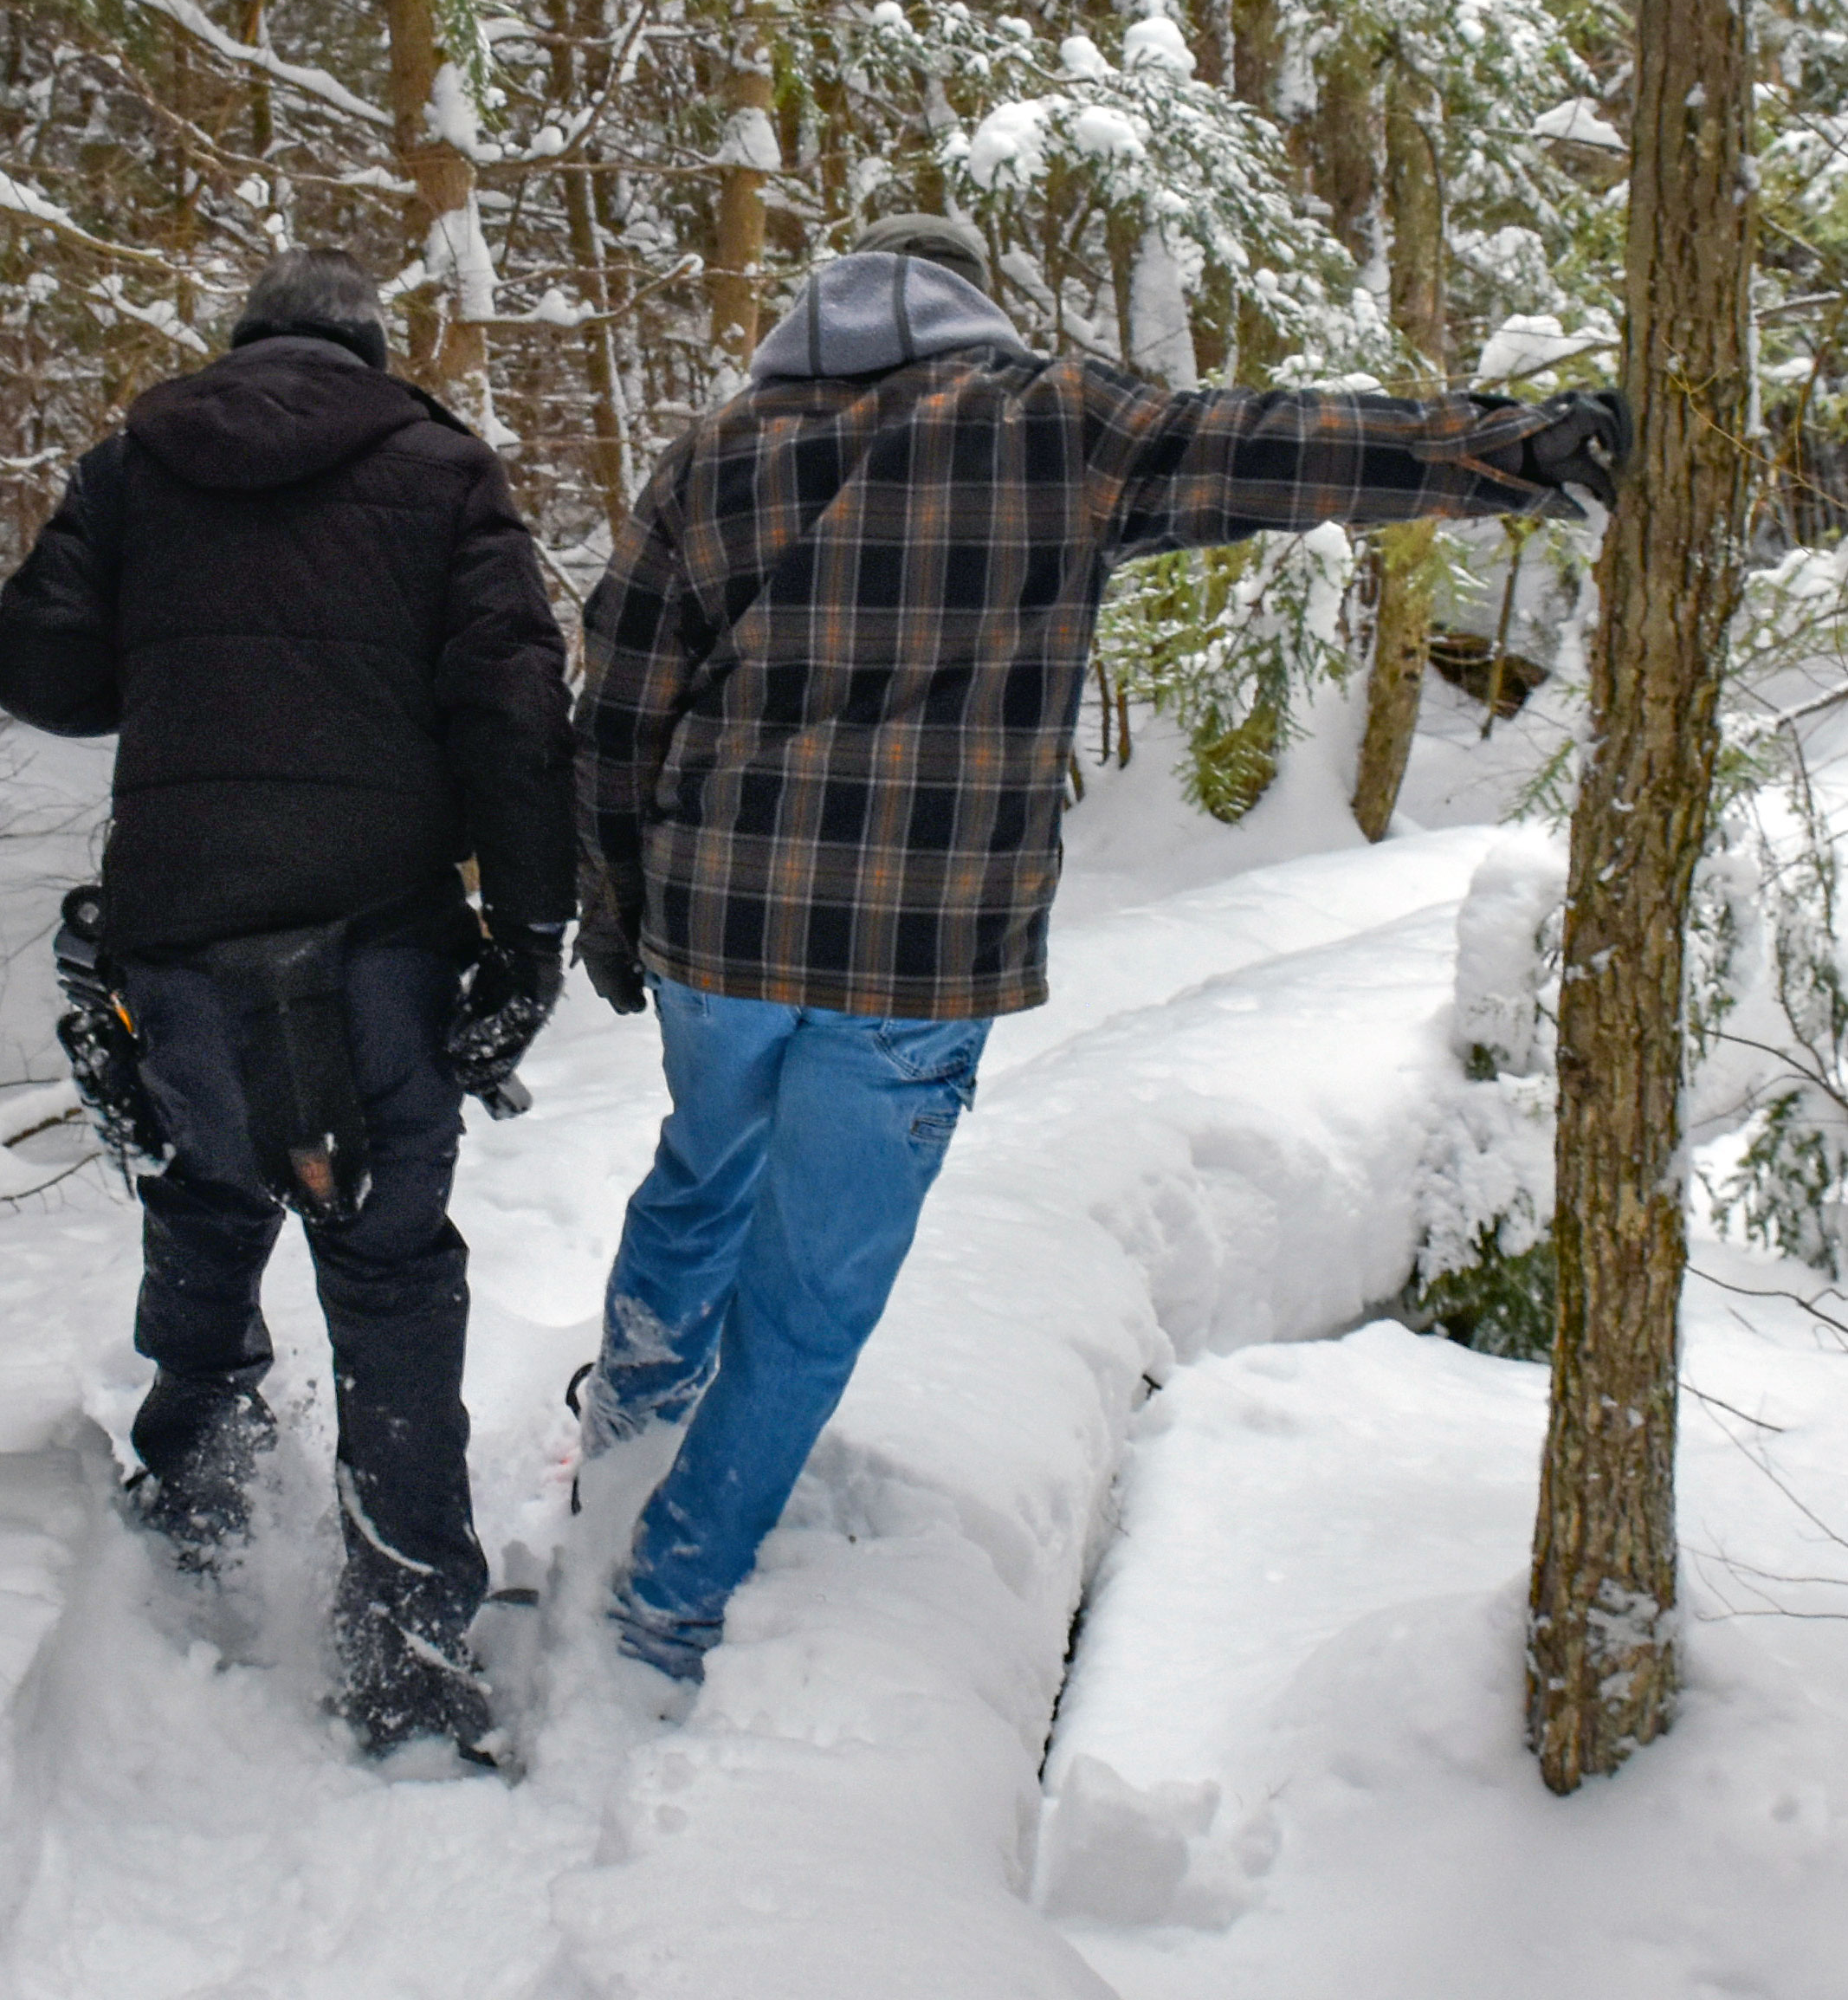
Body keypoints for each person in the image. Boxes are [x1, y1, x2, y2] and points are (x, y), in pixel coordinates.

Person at [572, 212, 1631, 1685]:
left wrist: (614, 917)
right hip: (916, 953)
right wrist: (1519, 450)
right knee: (814, 1292)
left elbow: (621, 710)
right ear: (964, 310)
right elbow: (1281, 444)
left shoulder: (717, 451)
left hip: (716, 925)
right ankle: (665, 1600)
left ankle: (620, 1448)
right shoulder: (1048, 421)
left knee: (698, 1179)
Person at [0, 249, 574, 1762]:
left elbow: (46, 671)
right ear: (371, 353)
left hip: (175, 928)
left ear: (242, 343)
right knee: (387, 1271)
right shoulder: (443, 468)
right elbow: (512, 706)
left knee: (201, 1202)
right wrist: (528, 932)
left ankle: (194, 1518)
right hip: (377, 934)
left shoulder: (139, 459)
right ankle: (406, 1663)